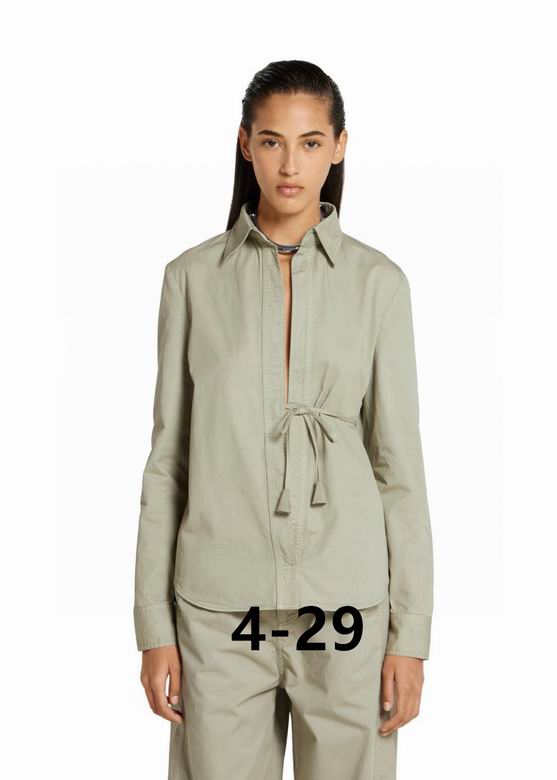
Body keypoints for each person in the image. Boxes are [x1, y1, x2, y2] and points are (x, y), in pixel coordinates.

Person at [133, 59, 434, 780]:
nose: (290, 165)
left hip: (344, 607)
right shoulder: (191, 279)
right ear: (245, 145)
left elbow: (398, 468)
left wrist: (410, 636)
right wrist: (153, 625)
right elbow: (169, 460)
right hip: (219, 611)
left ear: (339, 146)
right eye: (271, 141)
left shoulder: (379, 284)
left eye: (309, 142)